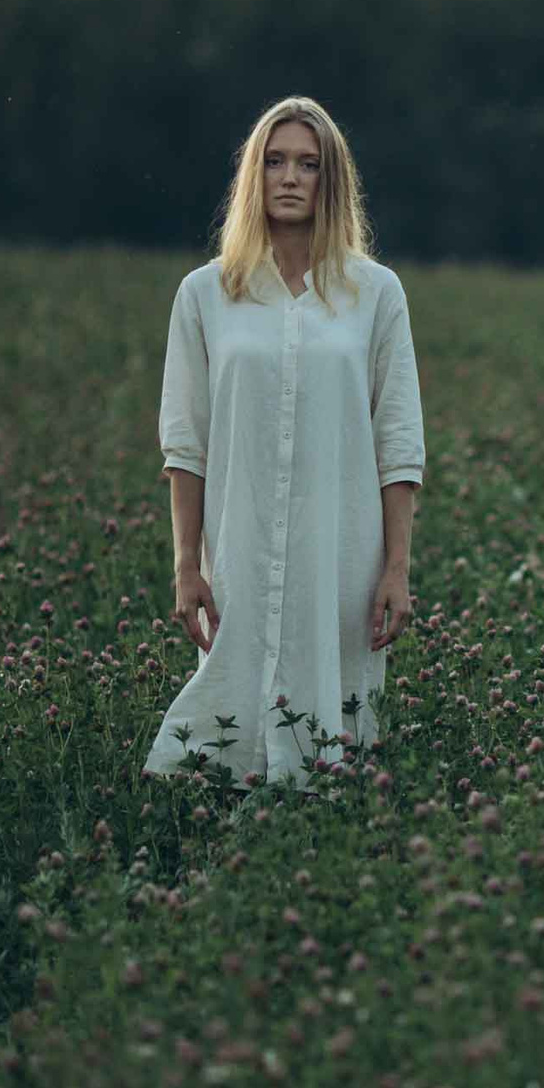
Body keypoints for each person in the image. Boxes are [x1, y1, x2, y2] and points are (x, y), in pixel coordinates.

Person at [143, 96, 425, 790]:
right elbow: (186, 442)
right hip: (239, 543)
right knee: (214, 746)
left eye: (308, 163)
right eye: (274, 162)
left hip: (341, 549)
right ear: (253, 176)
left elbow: (399, 440)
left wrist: (396, 566)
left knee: (333, 741)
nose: (290, 177)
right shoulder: (206, 294)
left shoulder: (376, 294)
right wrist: (186, 565)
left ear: (332, 181)